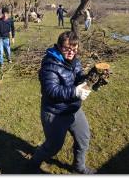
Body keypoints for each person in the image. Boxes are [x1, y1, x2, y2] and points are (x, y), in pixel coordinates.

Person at [30, 31, 96, 174]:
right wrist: (75, 92)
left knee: (83, 139)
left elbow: (79, 77)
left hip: (73, 109)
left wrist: (90, 78)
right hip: (55, 112)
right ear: (59, 47)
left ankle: (79, 167)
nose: (71, 52)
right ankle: (34, 162)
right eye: (67, 48)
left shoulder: (75, 61)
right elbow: (51, 90)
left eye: (74, 48)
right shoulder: (50, 64)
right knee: (53, 147)